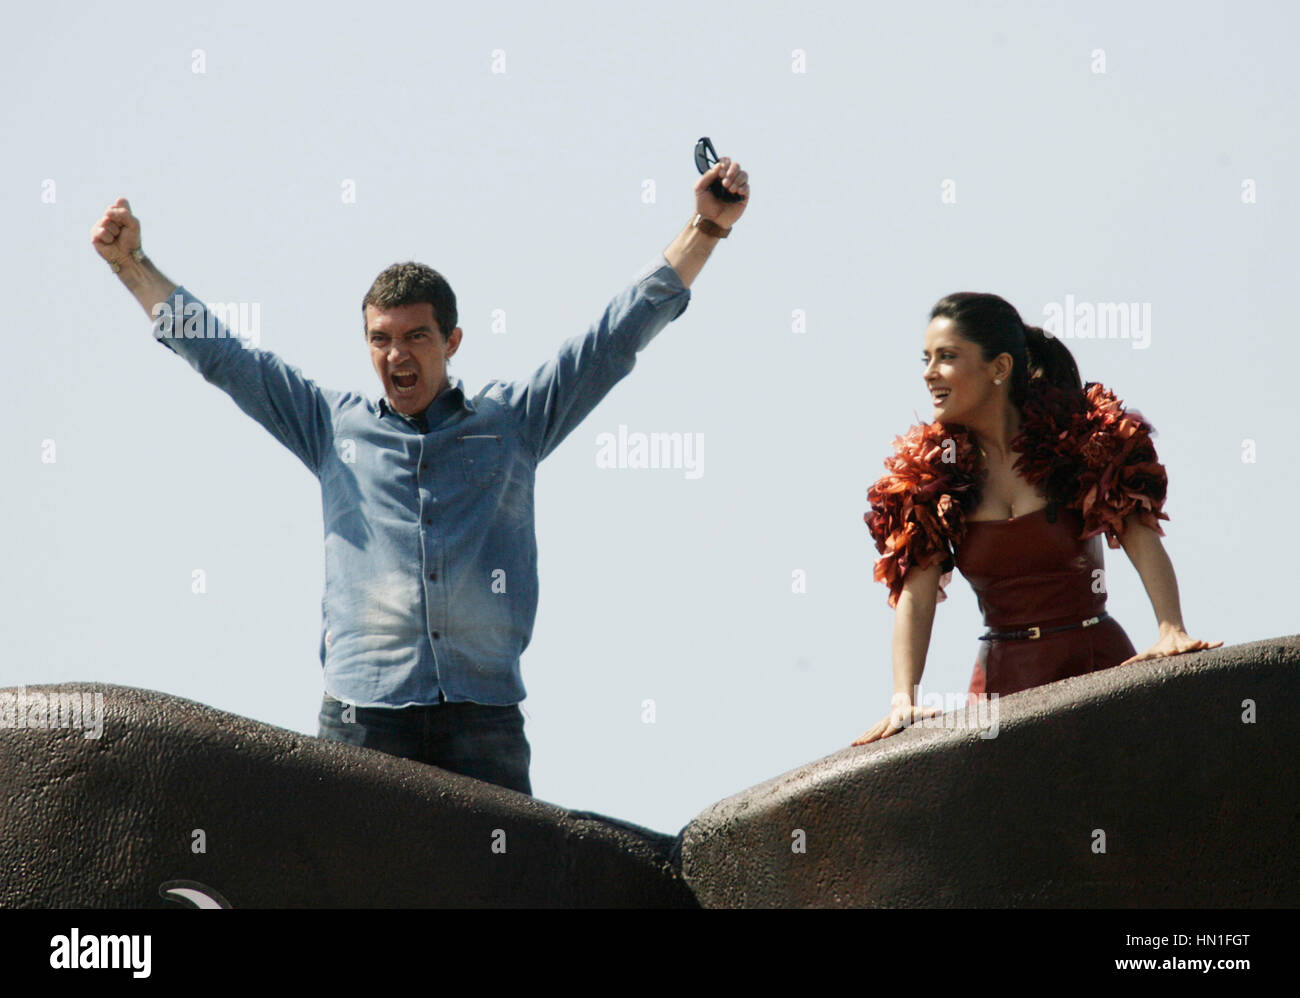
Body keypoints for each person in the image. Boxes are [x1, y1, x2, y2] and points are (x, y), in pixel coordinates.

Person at [90, 153, 750, 793]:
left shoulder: (512, 423)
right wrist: (132, 265)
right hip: (362, 717)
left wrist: (706, 228)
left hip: (481, 716)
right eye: (380, 339)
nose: (396, 354)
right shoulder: (330, 427)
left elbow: (613, 338)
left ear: (451, 342)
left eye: (415, 337)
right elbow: (224, 357)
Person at [853, 292, 1219, 745]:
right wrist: (902, 699)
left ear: (999, 368)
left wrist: (1171, 629)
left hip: (1095, 659)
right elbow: (916, 594)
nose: (929, 373)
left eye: (947, 357)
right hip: (1000, 685)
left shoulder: (1079, 438)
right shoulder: (931, 475)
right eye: (926, 358)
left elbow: (1139, 534)